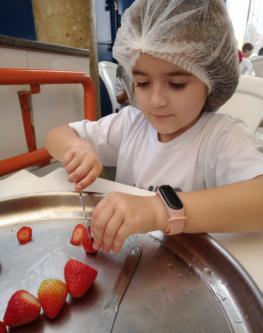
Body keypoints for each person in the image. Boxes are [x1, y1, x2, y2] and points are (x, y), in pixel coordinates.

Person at [45, 0, 263, 254]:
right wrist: (77, 147)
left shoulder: (220, 137)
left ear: (211, 80)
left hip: (191, 266)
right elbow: (55, 136)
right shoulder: (130, 124)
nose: (156, 100)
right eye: (143, 83)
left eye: (177, 84)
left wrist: (161, 210)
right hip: (130, 258)